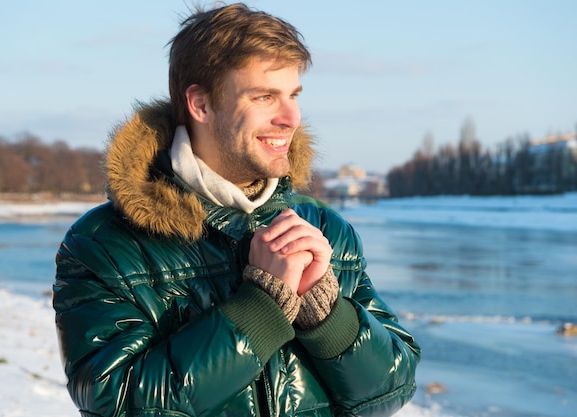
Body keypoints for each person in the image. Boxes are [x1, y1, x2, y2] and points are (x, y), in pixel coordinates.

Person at [53, 3, 421, 416]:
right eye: (265, 96)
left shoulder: (325, 229)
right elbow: (116, 404)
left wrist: (326, 313)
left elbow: (393, 388)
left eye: (293, 96)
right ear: (201, 105)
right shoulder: (105, 243)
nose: (291, 118)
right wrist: (260, 309)